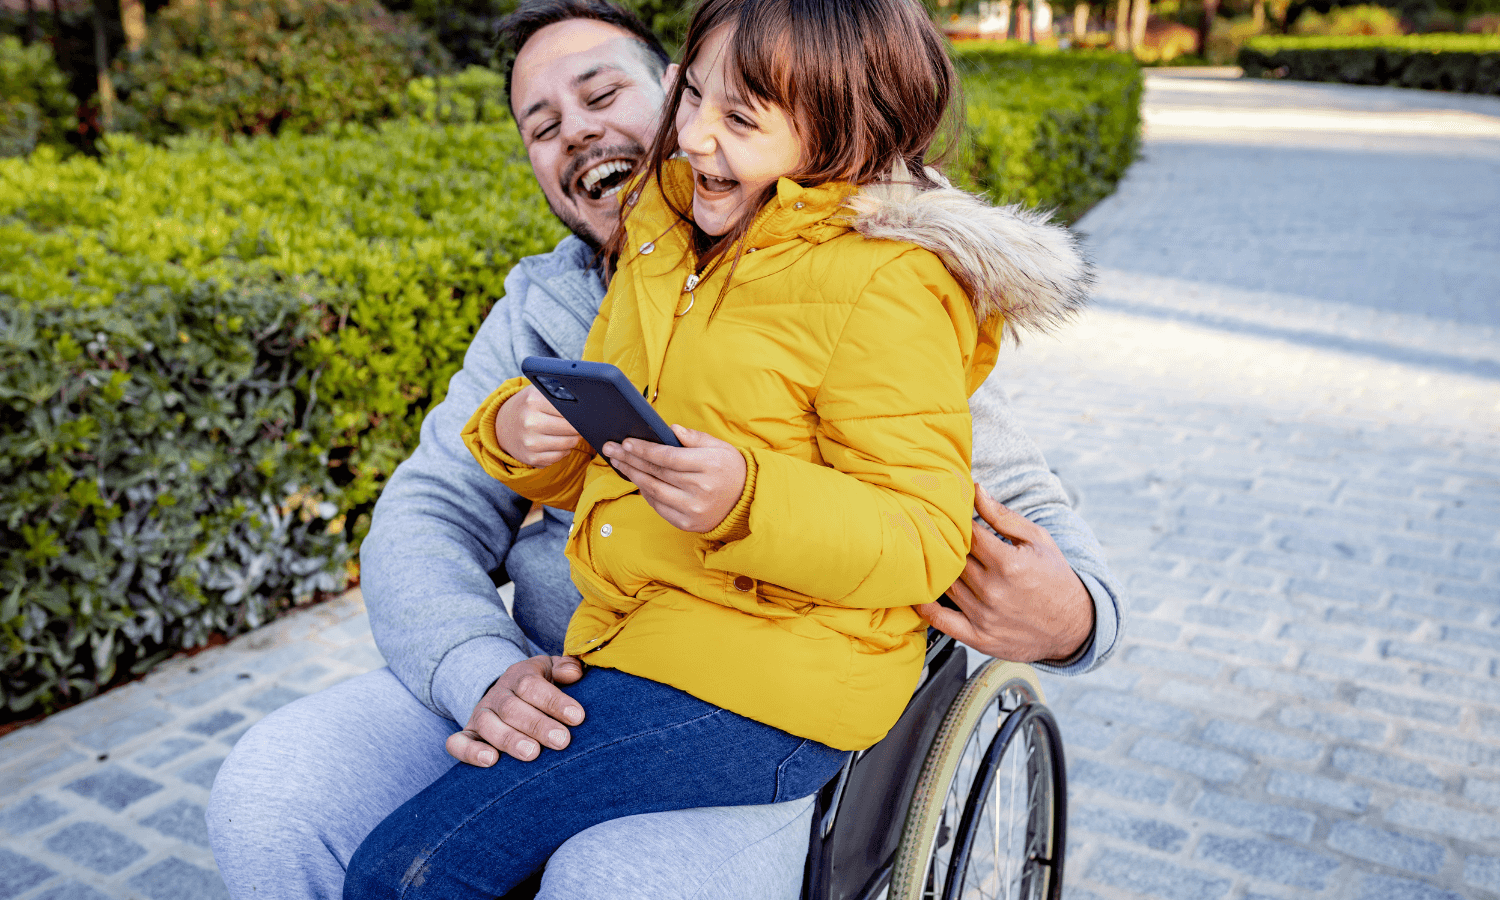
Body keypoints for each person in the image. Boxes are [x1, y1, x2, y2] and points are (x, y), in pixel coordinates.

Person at [204, 2, 1123, 898]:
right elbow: (429, 506)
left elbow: (968, 503)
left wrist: (1077, 614)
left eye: (603, 96)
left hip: (754, 681)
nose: (578, 132)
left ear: (672, 86)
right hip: (569, 652)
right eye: (542, 124)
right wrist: (479, 651)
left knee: (515, 874)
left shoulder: (876, 280)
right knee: (276, 793)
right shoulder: (583, 288)